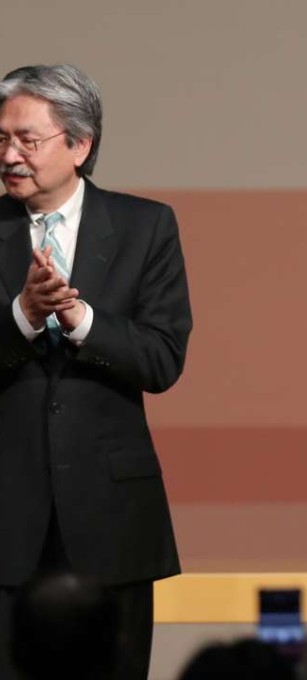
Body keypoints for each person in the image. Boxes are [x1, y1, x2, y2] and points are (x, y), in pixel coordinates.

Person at [0, 64, 192, 679]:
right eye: (1, 140)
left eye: (27, 140)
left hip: (112, 516)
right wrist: (24, 317)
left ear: (79, 144)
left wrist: (80, 316)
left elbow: (162, 359)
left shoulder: (145, 226)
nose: (10, 156)